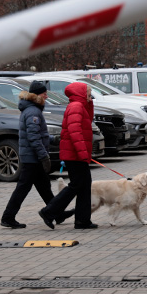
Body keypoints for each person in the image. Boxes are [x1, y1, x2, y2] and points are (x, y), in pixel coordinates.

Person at [0, 81, 73, 229]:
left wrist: (54, 139)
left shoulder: (32, 109)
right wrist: (43, 156)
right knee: (23, 188)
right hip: (32, 157)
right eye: (44, 93)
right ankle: (8, 217)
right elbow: (33, 138)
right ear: (36, 95)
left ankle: (56, 213)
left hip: (32, 156)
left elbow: (37, 135)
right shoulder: (33, 111)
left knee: (44, 187)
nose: (46, 95)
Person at [39, 82, 97, 230]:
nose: (90, 95)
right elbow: (75, 132)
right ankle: (48, 212)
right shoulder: (76, 106)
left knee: (84, 186)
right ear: (81, 93)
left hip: (77, 154)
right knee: (76, 185)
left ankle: (82, 220)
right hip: (75, 155)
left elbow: (87, 121)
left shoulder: (80, 106)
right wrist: (83, 153)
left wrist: (89, 104)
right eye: (88, 93)